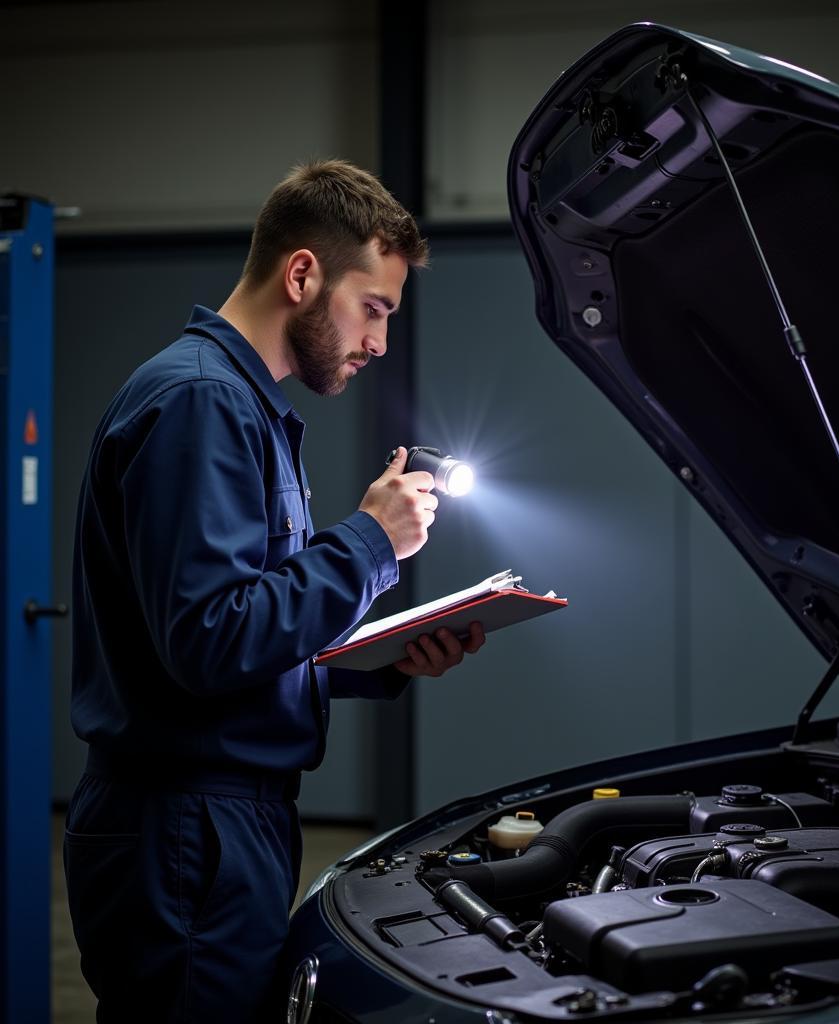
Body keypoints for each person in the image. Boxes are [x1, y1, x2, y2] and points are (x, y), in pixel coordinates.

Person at [64, 159, 485, 1022]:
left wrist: (388, 658)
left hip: (211, 825)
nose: (378, 343)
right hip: (186, 834)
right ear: (302, 275)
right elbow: (211, 642)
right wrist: (372, 540)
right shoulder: (199, 403)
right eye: (374, 308)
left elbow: (243, 629)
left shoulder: (241, 406)